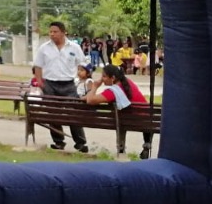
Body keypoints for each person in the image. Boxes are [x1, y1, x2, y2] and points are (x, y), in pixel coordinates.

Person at [33, 20, 88, 153]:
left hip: (69, 84)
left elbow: (83, 64)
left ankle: (80, 143)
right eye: (50, 32)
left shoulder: (74, 48)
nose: (52, 34)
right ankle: (58, 142)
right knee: (53, 115)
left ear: (63, 33)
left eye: (55, 32)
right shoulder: (44, 48)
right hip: (50, 84)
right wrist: (40, 82)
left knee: (73, 114)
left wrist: (83, 76)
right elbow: (38, 66)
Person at [85, 63, 154, 158]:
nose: (102, 79)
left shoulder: (112, 92)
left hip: (126, 122)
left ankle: (121, 151)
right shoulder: (128, 83)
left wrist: (95, 87)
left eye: (104, 76)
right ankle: (146, 144)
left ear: (112, 78)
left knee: (121, 121)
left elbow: (90, 100)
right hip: (145, 120)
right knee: (126, 118)